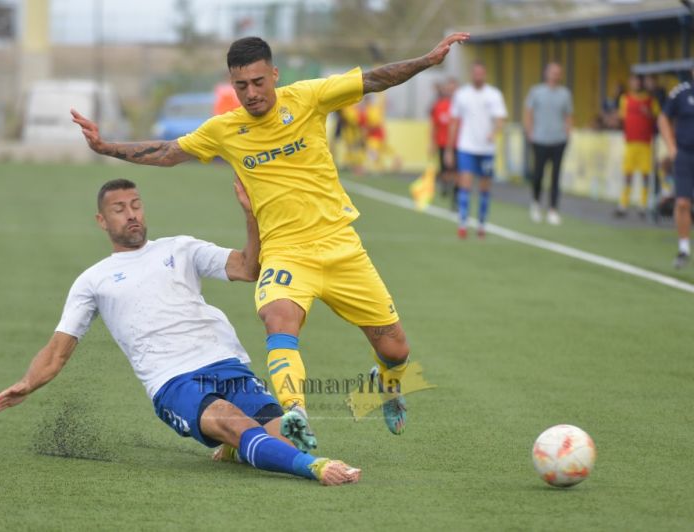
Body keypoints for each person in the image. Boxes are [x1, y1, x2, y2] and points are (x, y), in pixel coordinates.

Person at [71, 33, 470, 451]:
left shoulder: (309, 98)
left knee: (394, 347)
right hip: (284, 251)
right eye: (241, 86)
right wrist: (106, 146)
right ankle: (295, 411)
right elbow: (169, 151)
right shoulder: (226, 129)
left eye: (259, 82)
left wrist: (427, 59)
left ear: (274, 75)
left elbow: (373, 79)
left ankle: (387, 384)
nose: (251, 93)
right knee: (277, 318)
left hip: (339, 245)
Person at [0, 178, 361, 486]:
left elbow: (248, 268)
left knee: (295, 436)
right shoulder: (93, 280)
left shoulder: (180, 248)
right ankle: (316, 469)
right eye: (119, 209)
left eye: (135, 204)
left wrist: (251, 214)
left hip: (225, 363)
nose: (131, 214)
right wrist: (28, 382)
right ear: (102, 221)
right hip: (174, 380)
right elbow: (58, 350)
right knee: (240, 426)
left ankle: (243, 450)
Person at [445, 62, 508, 239]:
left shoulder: (494, 94)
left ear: (485, 74)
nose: (478, 76)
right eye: (475, 73)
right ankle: (463, 223)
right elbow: (454, 122)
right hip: (467, 147)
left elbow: (501, 119)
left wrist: (494, 132)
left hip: (487, 149)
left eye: (481, 73)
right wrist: (449, 150)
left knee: (484, 187)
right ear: (471, 74)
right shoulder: (461, 94)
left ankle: (481, 223)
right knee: (465, 183)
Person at [524, 62, 573, 225]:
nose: (555, 75)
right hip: (540, 139)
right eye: (553, 72)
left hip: (558, 140)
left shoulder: (565, 94)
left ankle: (553, 209)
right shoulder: (536, 92)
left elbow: (568, 115)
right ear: (546, 73)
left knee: (556, 176)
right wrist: (530, 132)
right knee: (538, 174)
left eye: (558, 72)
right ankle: (536, 203)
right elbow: (528, 112)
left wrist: (567, 134)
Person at [658, 69, 694, 269]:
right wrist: (672, 147)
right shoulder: (681, 92)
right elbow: (663, 118)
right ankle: (683, 248)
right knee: (682, 203)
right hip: (685, 155)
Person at [616, 74, 661, 218]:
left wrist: (649, 115)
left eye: (637, 81)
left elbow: (659, 117)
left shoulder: (650, 100)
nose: (635, 84)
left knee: (645, 175)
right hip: (630, 142)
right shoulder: (625, 99)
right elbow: (621, 118)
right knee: (627, 174)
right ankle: (623, 204)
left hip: (645, 143)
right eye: (632, 81)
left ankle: (643, 205)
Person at [431, 78, 458, 208]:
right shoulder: (439, 106)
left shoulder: (462, 106)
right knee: (445, 171)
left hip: (459, 145)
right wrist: (432, 143)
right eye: (450, 89)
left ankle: (455, 198)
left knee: (457, 172)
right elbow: (434, 126)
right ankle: (445, 185)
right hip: (443, 143)